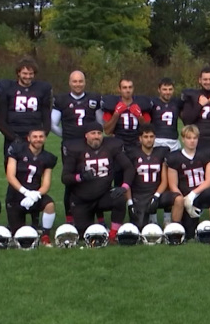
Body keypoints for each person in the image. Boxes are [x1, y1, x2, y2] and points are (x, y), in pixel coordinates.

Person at [61, 121, 134, 240]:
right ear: (86, 135)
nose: (96, 136)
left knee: (120, 198)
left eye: (99, 133)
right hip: (82, 199)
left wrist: (124, 187)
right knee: (84, 236)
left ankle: (113, 234)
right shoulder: (75, 149)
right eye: (93, 133)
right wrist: (80, 177)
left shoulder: (111, 147)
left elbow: (128, 167)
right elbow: (65, 178)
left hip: (103, 197)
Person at [51, 70, 102, 223]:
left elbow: (100, 124)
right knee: (71, 180)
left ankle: (98, 217)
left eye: (80, 81)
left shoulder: (94, 99)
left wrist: (93, 137)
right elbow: (52, 124)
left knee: (95, 179)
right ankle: (70, 217)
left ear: (85, 82)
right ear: (69, 82)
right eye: (75, 81)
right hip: (70, 146)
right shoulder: (61, 100)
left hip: (90, 146)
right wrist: (66, 136)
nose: (78, 84)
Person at [165, 124, 210, 238]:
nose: (192, 141)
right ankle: (176, 230)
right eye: (189, 138)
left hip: (201, 193)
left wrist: (193, 194)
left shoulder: (205, 153)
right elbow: (173, 185)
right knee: (189, 234)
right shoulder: (174, 157)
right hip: (184, 196)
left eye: (195, 138)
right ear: (183, 139)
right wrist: (184, 200)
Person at [0, 57, 52, 165]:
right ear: (18, 73)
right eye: (25, 73)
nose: (28, 76)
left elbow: (46, 116)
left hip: (34, 138)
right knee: (13, 172)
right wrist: (13, 137)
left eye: (31, 74)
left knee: (35, 171)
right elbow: (1, 119)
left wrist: (41, 135)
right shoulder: (8, 89)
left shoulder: (41, 89)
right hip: (13, 137)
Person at [5, 128, 57, 245]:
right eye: (35, 136)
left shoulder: (48, 157)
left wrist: (36, 194)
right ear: (28, 138)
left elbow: (46, 183)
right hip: (16, 195)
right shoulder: (17, 151)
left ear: (45, 138)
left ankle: (45, 235)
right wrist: (25, 192)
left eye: (41, 136)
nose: (38, 139)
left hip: (35, 195)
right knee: (19, 234)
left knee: (50, 205)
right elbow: (10, 176)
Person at [124, 124, 179, 228]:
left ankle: (173, 226)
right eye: (145, 137)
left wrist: (156, 196)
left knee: (178, 199)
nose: (149, 140)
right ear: (140, 138)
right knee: (139, 227)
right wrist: (130, 202)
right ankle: (151, 219)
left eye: (151, 136)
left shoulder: (162, 151)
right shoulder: (132, 153)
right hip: (140, 195)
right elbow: (127, 180)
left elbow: (165, 180)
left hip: (158, 193)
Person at [101, 77, 153, 152]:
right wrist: (116, 113)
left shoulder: (141, 104)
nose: (128, 90)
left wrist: (139, 116)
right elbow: (107, 131)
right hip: (118, 143)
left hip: (136, 144)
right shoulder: (112, 104)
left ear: (133, 88)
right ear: (119, 89)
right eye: (124, 88)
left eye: (130, 87)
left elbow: (148, 130)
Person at [150, 77, 183, 152]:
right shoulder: (153, 102)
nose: (168, 92)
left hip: (173, 141)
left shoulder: (177, 102)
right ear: (159, 90)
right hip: (157, 140)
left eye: (170, 89)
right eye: (164, 89)